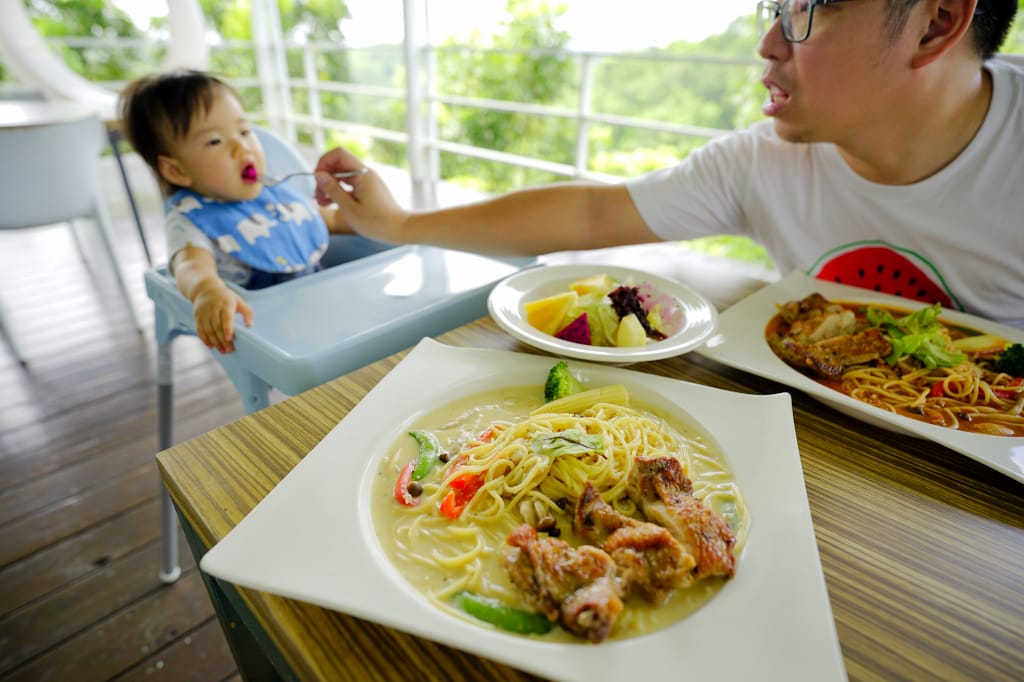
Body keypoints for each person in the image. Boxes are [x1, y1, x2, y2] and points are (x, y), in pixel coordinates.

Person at [313, 0, 1023, 329]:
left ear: (936, 22)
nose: (770, 42)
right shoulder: (761, 161)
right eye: (774, 6)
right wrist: (402, 222)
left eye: (810, 7)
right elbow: (594, 211)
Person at [119, 70, 387, 353]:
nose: (241, 146)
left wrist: (374, 219)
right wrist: (207, 290)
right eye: (214, 141)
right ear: (176, 170)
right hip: (268, 335)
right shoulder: (191, 220)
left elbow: (326, 219)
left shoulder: (272, 193)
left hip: (324, 313)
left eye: (245, 131)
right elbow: (189, 265)